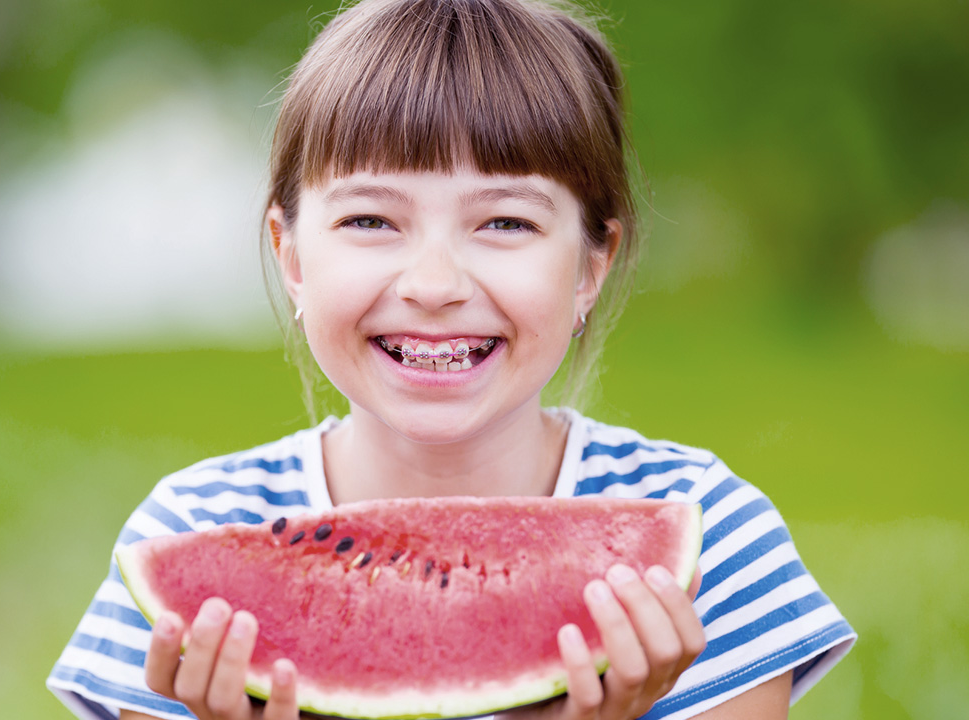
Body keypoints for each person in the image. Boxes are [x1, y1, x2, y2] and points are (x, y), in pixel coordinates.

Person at [47, 0, 856, 718]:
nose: (434, 285)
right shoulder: (192, 533)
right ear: (290, 256)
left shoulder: (712, 542)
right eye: (370, 220)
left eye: (505, 223)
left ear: (590, 266)